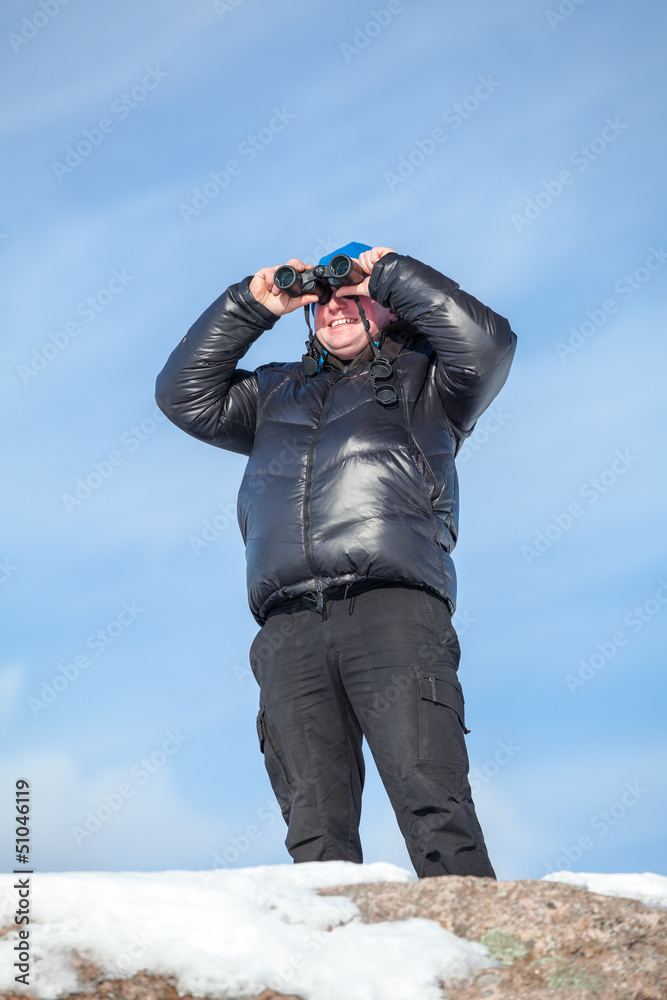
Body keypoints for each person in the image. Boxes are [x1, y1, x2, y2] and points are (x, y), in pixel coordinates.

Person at [155, 242, 517, 879]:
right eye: (325, 301)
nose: (336, 308)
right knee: (313, 825)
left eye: (355, 297)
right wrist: (252, 304)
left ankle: (477, 960)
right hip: (288, 623)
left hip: (394, 609)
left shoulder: (432, 382)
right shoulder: (272, 396)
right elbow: (182, 395)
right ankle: (332, 964)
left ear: (391, 310)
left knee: (430, 794)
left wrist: (389, 272)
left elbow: (488, 342)